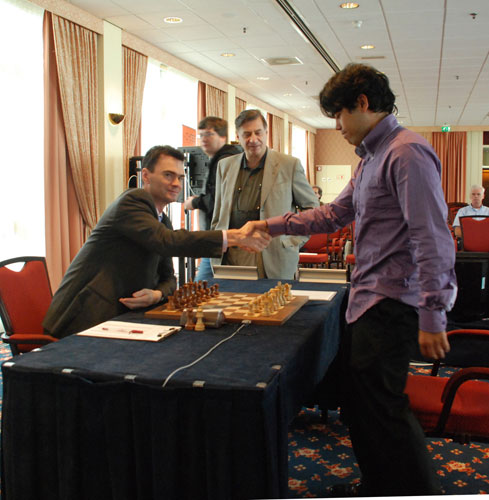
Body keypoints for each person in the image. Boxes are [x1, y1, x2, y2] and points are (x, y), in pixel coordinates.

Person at [244, 64, 457, 496]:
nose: (337, 126)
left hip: (393, 303)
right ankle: (378, 485)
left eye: (339, 115)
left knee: (384, 410)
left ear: (362, 103)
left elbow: (432, 238)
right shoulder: (370, 158)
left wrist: (434, 314)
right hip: (367, 298)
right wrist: (269, 224)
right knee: (361, 406)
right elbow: (332, 215)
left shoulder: (406, 152)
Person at [43, 145, 271, 339]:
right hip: (85, 318)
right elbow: (168, 242)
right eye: (168, 175)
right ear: (145, 176)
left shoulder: (162, 219)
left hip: (123, 319)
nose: (176, 183)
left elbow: (169, 278)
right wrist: (233, 236)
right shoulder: (132, 201)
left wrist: (157, 294)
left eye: (180, 177)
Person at [211, 109, 318, 279]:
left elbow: (312, 210)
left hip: (273, 256)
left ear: (266, 133)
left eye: (258, 132)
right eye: (247, 134)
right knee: (231, 297)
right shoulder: (225, 166)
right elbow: (218, 213)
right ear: (238, 137)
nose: (253, 139)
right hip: (231, 256)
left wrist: (291, 242)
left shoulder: (289, 165)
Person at [183, 117, 241, 280]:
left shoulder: (224, 160)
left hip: (220, 238)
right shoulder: (220, 159)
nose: (203, 139)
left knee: (200, 287)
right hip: (219, 238)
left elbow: (218, 200)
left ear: (222, 136)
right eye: (201, 135)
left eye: (209, 134)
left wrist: (194, 202)